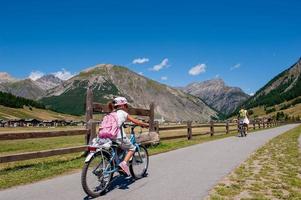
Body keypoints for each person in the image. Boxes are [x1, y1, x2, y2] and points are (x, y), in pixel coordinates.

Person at [108, 97, 149, 176]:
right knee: (132, 148)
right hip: (117, 136)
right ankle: (123, 165)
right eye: (126, 106)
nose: (127, 108)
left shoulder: (112, 113)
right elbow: (136, 121)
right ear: (122, 105)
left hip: (107, 136)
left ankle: (115, 164)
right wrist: (145, 124)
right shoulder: (123, 113)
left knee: (119, 148)